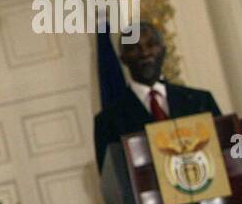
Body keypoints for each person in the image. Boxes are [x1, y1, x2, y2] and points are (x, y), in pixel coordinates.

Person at [94, 21, 222, 171]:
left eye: (151, 45)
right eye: (134, 48)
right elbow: (112, 177)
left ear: (163, 50)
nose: (144, 53)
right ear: (123, 58)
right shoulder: (108, 120)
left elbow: (226, 146)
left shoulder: (200, 101)